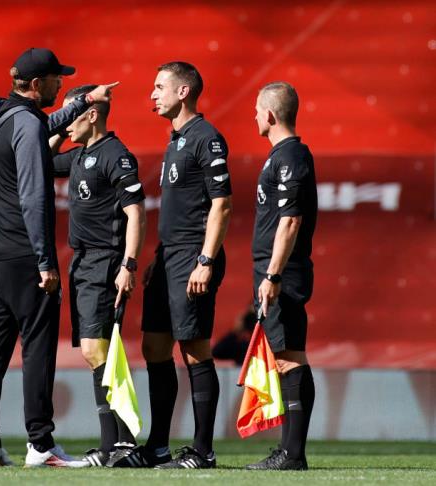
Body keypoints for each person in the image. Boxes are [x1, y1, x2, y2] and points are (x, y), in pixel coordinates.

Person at [0, 48, 119, 468]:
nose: (60, 83)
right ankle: (40, 444)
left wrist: (83, 101)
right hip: (24, 254)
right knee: (37, 348)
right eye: (56, 78)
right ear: (37, 85)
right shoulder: (26, 124)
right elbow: (33, 197)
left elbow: (38, 125)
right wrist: (44, 260)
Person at [116, 62, 233, 469]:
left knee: (195, 349)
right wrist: (158, 258)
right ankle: (158, 447)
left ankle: (203, 451)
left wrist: (205, 260)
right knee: (154, 347)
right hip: (169, 258)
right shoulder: (176, 140)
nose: (152, 94)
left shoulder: (206, 138)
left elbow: (221, 204)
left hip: (193, 256)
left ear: (183, 92)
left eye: (159, 86)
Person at [49, 85, 146, 467]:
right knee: (96, 353)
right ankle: (114, 445)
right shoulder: (79, 155)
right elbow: (41, 158)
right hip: (82, 262)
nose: (64, 123)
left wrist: (128, 265)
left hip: (105, 261)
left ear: (91, 115)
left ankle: (122, 444)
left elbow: (136, 213)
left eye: (70, 114)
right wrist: (63, 125)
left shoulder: (115, 155)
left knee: (98, 350)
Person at [245, 81, 317, 471]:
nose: (254, 116)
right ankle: (289, 452)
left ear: (270, 114)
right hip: (274, 270)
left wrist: (272, 275)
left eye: (257, 110)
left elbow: (291, 221)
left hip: (283, 273)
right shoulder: (281, 156)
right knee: (284, 358)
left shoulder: (291, 156)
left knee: (290, 359)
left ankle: (292, 454)